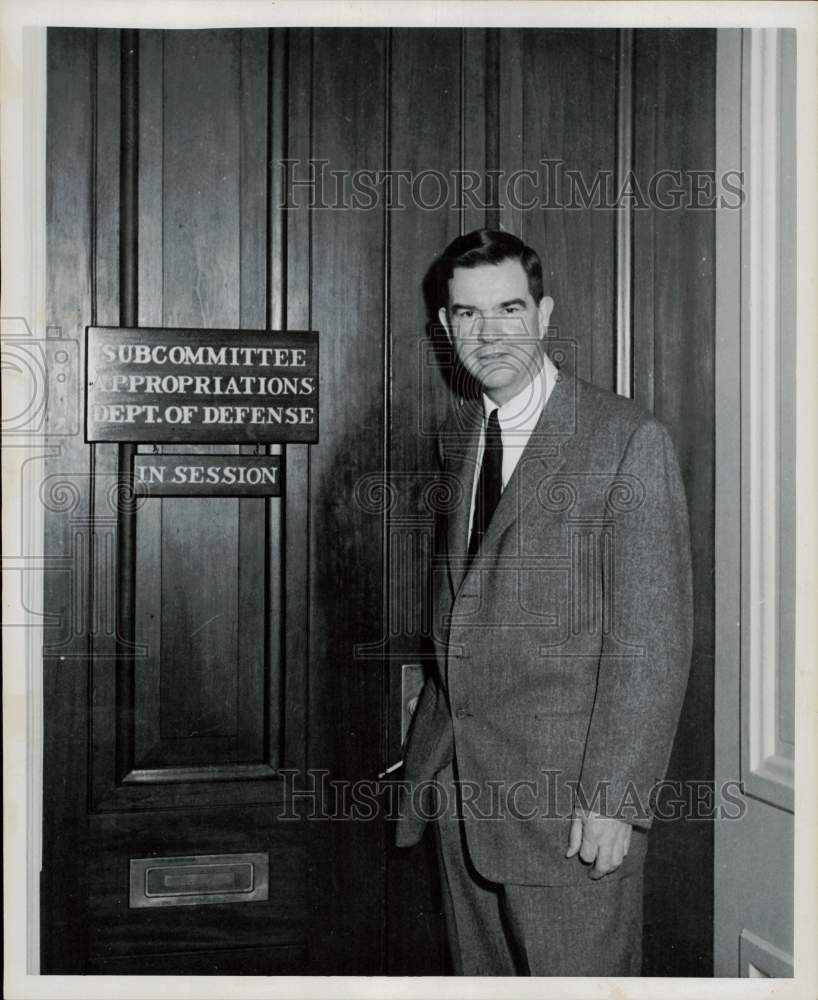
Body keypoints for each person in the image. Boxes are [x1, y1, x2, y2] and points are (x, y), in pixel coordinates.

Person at [396, 229, 693, 976]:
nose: (489, 334)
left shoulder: (627, 440)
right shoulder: (464, 437)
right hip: (463, 803)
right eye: (467, 315)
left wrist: (616, 801)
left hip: (572, 816)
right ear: (445, 327)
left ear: (546, 314)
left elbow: (652, 638)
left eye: (509, 309)